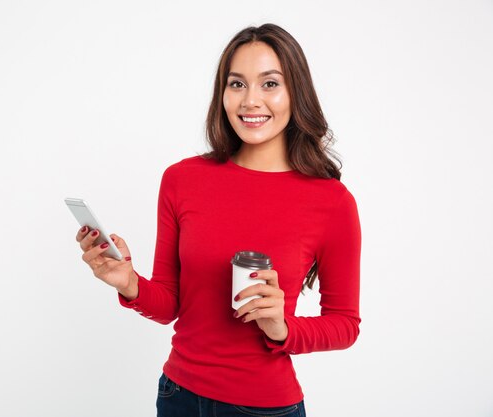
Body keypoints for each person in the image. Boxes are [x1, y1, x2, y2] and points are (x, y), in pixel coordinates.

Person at [75, 23, 361, 417]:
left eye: (270, 84)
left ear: (296, 93)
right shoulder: (182, 180)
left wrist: (283, 329)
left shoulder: (332, 202)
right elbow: (170, 304)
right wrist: (129, 283)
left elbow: (344, 325)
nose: (250, 100)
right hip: (178, 396)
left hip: (264, 408)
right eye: (237, 84)